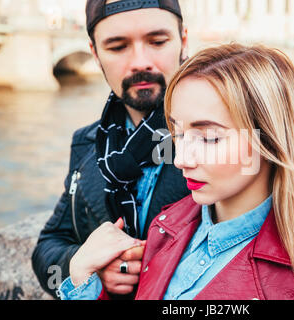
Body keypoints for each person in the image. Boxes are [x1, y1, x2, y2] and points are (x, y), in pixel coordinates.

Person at [63, 43, 294, 300]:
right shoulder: (164, 225)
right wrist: (81, 279)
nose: (181, 159)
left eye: (209, 137)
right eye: (179, 134)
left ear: (269, 139)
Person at [32, 0, 191, 300]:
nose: (140, 62)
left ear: (183, 41)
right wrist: (81, 265)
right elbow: (49, 245)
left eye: (157, 41)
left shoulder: (229, 141)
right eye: (118, 47)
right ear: (95, 54)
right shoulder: (87, 141)